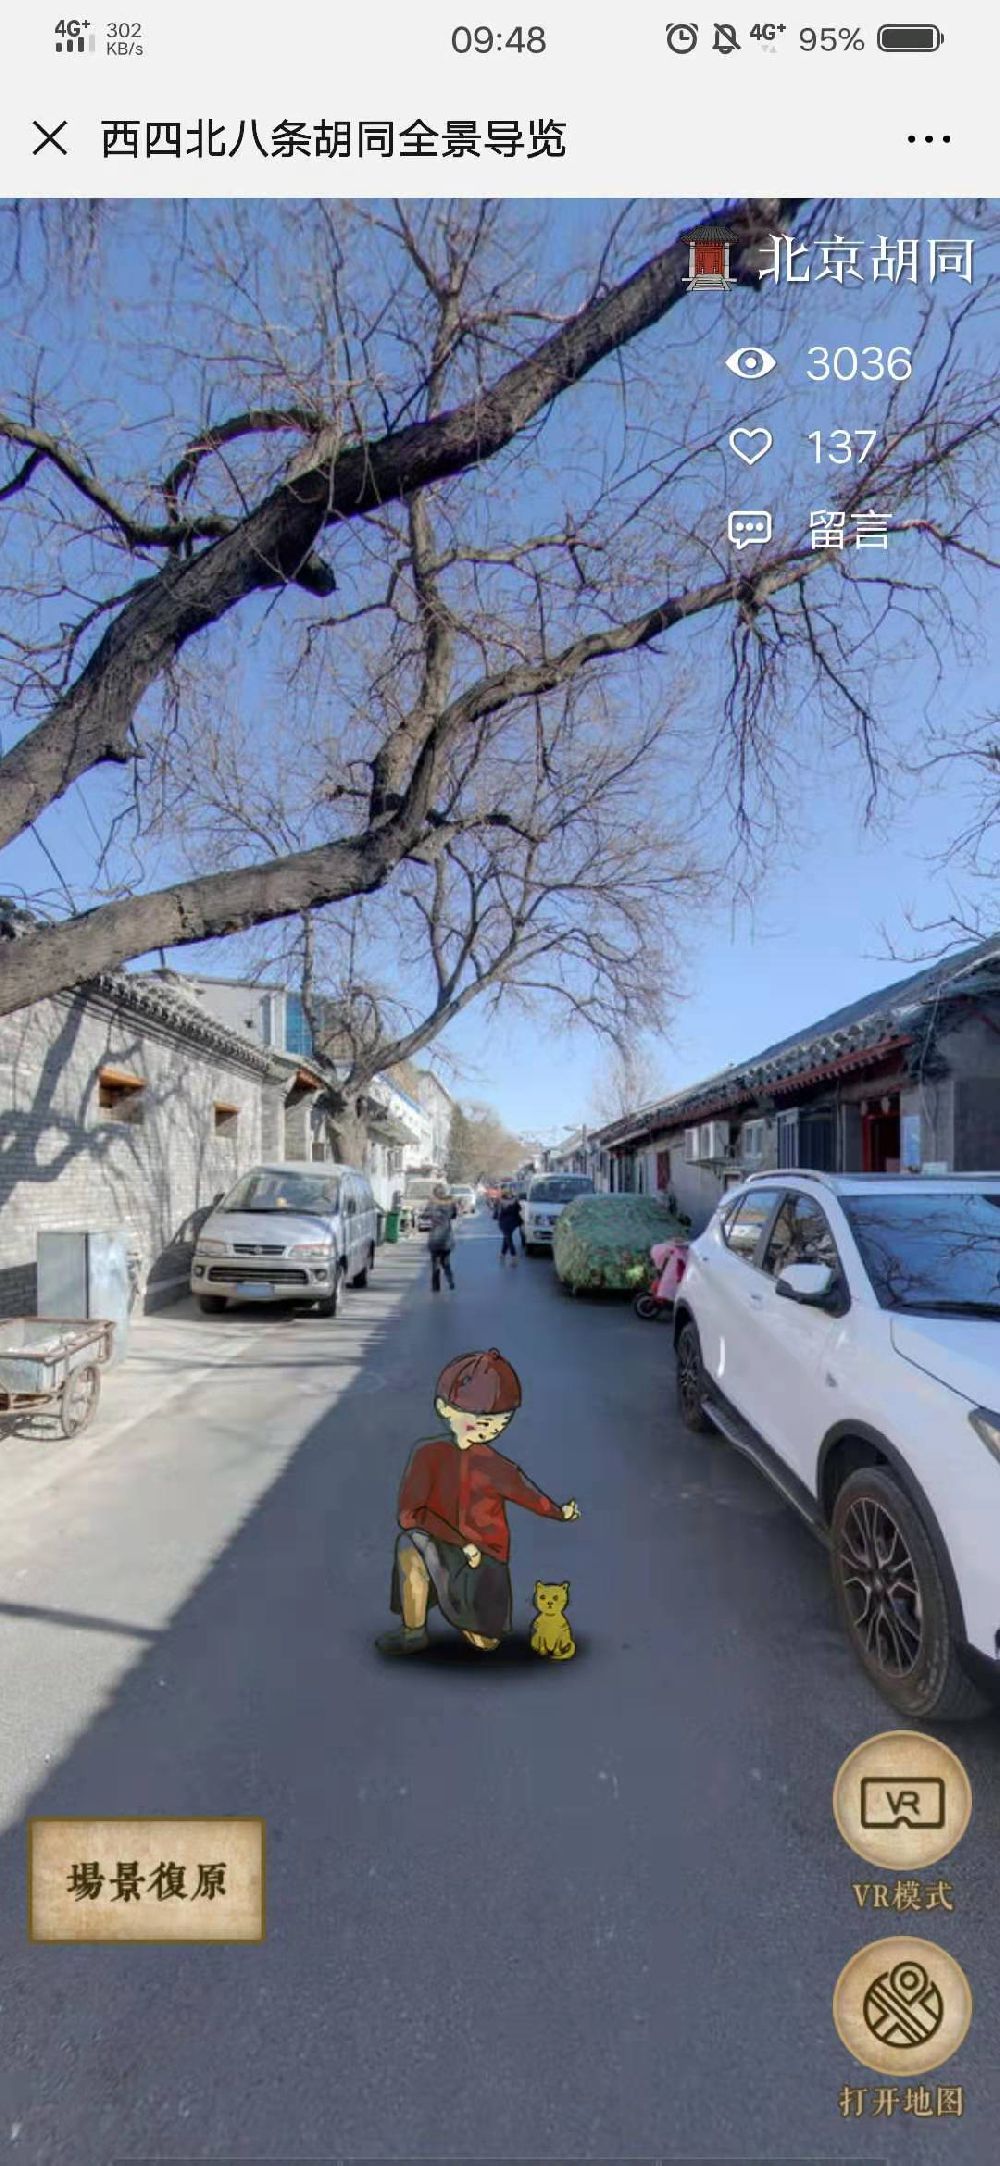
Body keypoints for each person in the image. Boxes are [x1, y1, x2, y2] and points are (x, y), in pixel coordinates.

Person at [376, 1348, 580, 1656]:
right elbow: (409, 1514)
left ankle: (465, 1613)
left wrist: (559, 1512)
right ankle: (413, 1630)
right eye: (480, 1422)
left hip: (484, 1558)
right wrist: (461, 1543)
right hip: (441, 1544)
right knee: (409, 1543)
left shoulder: (497, 1466)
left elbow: (528, 1494)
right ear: (444, 1409)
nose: (490, 1431)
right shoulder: (428, 1454)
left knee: (486, 1644)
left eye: (499, 1424)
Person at [426, 1182, 457, 1293]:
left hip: (434, 1238)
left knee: (435, 1264)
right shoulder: (450, 1202)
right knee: (446, 1262)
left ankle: (436, 1287)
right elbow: (454, 1215)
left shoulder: (431, 1202)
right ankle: (450, 1279)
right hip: (446, 1238)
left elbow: (425, 1214)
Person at [496, 1189, 523, 1266]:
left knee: (508, 1238)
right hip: (513, 1222)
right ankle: (502, 1253)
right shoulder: (515, 1200)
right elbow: (519, 1209)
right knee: (507, 1237)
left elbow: (498, 1212)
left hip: (504, 1223)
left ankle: (514, 1255)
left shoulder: (500, 1201)